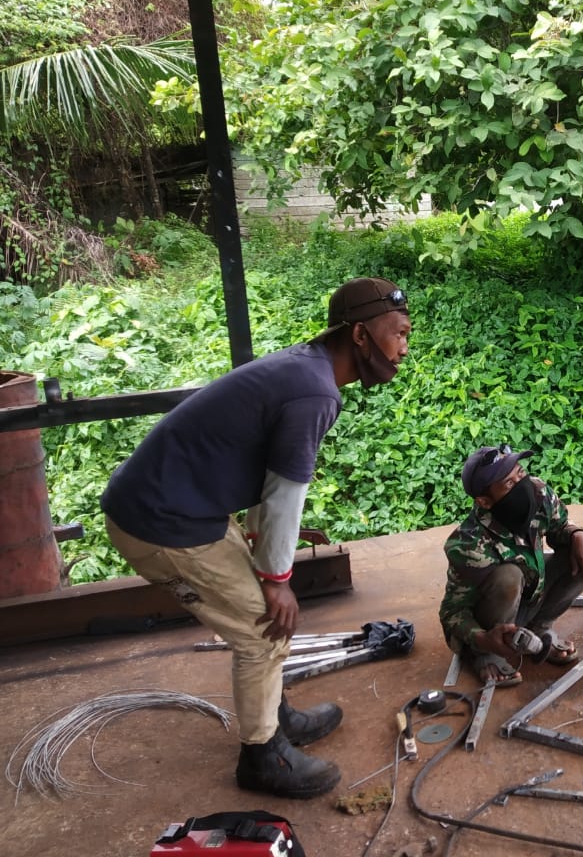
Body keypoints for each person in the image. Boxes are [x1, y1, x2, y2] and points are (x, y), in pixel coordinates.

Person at [100, 276, 412, 798]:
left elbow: (260, 469)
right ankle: (262, 759)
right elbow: (286, 494)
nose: (404, 347)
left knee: (270, 619)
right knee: (264, 625)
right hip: (160, 520)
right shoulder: (314, 392)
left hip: (184, 504)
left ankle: (276, 713)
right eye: (398, 333)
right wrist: (275, 579)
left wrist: (257, 540)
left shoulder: (305, 367)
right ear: (360, 336)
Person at [439, 445, 583, 686]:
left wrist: (578, 534)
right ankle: (485, 656)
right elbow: (452, 613)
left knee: (580, 558)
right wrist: (482, 639)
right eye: (508, 484)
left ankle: (538, 630)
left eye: (520, 474)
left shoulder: (538, 493)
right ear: (484, 501)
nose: (522, 484)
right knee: (509, 577)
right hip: (488, 621)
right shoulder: (468, 544)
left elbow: (559, 528)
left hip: (530, 592)